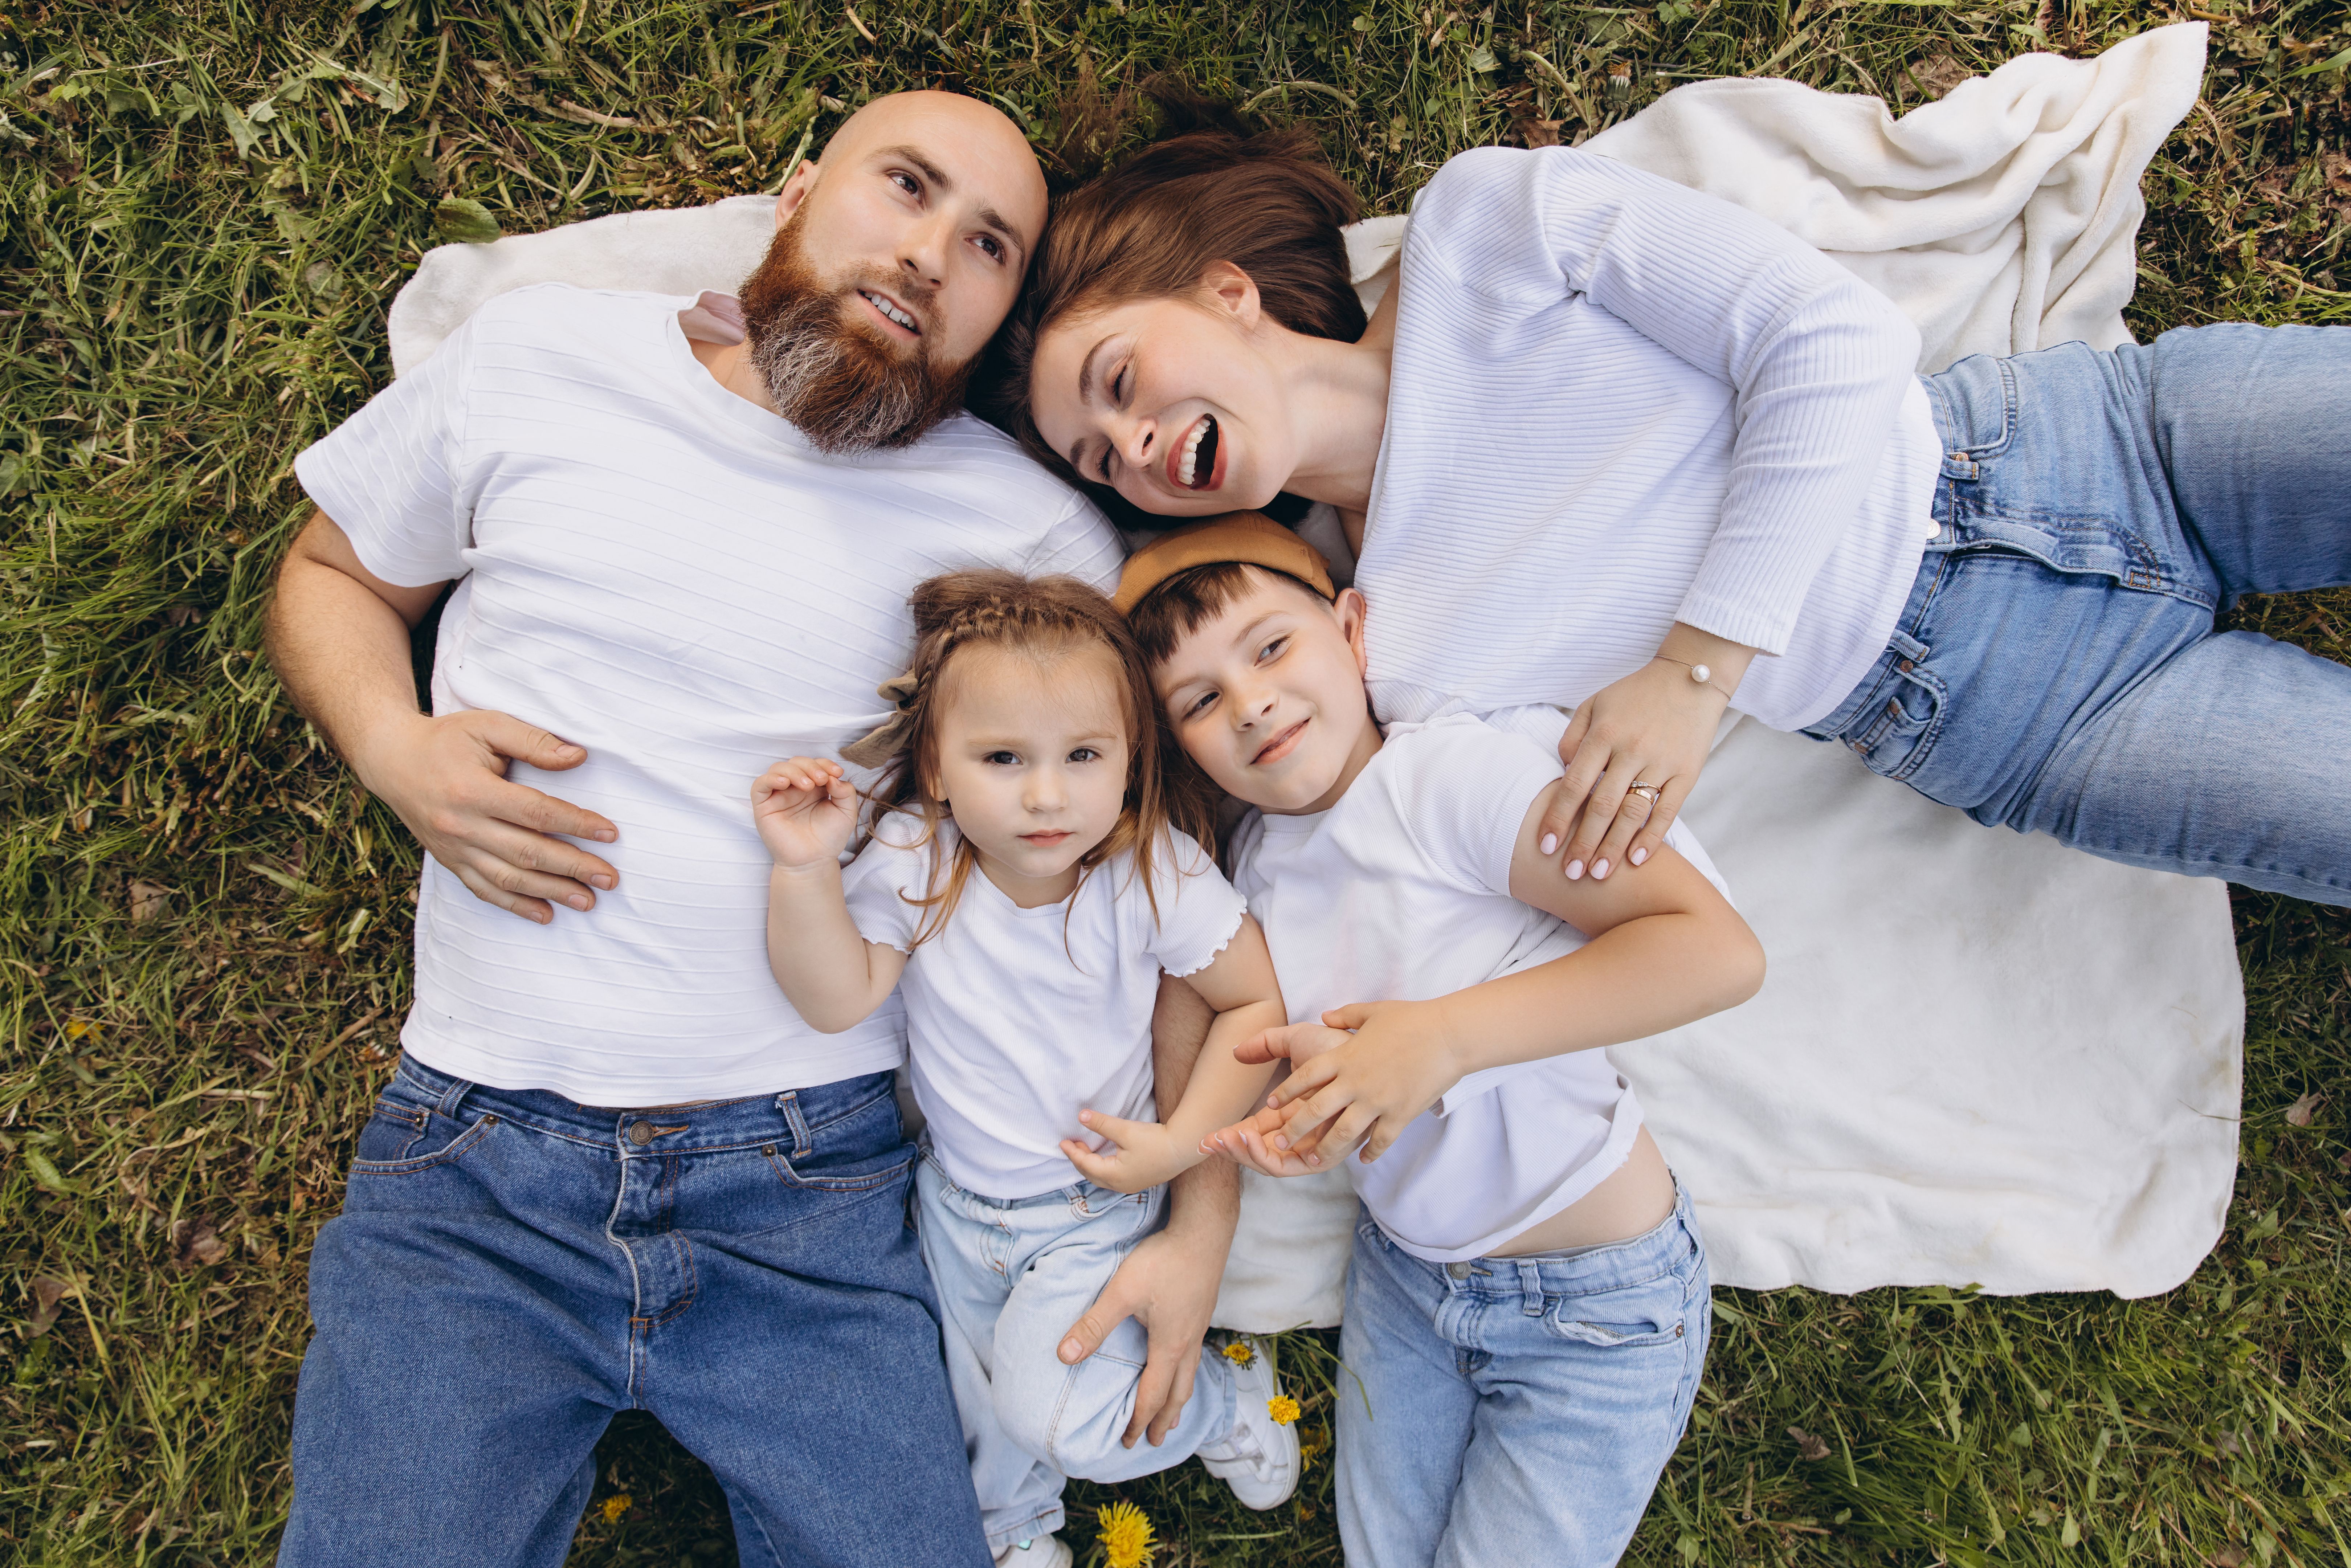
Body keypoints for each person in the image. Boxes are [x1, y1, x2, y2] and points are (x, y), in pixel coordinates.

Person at [264, 92, 1237, 1568]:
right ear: (796, 189)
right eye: (904, 187)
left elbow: (1160, 895)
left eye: (986, 247)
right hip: (474, 1170)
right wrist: (396, 750)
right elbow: (334, 573)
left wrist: (1200, 1229)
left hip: (809, 1195)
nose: (927, 256)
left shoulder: (1022, 536)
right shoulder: (542, 357)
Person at [996, 114, 2351, 908]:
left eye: (1118, 385)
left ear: (1226, 293)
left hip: (2087, 447)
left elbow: (1829, 339)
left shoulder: (1489, 232)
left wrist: (1692, 672)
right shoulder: (1380, 653)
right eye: (1099, 460)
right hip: (2013, 716)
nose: (1133, 446)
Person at [1110, 513, 1762, 1565]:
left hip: (1591, 1296)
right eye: (1199, 699)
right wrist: (1315, 1117)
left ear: (1352, 630)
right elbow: (1296, 1047)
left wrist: (1443, 1041)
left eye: (1271, 647)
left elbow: (1715, 951)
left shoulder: (1444, 780)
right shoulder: (1257, 876)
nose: (1252, 703)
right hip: (1408, 1284)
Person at [753, 569, 1302, 1566]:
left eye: (1083, 756)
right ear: (938, 766)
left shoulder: (1153, 869)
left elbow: (1254, 1005)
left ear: (1130, 762)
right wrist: (804, 871)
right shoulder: (918, 856)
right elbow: (836, 998)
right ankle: (1015, 1531)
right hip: (956, 1208)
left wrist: (1182, 1145)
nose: (1047, 795)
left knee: (1055, 1415)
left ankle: (1222, 1395)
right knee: (976, 1420)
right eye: (1003, 757)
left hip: (1090, 1211)